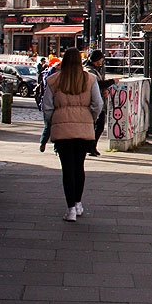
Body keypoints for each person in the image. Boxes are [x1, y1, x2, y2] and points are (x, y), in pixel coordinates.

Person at [42, 48, 102, 222]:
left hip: (62, 131)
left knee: (67, 169)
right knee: (79, 166)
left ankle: (70, 210)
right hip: (83, 129)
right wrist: (90, 117)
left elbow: (47, 106)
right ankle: (78, 203)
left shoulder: (53, 80)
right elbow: (97, 103)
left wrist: (55, 121)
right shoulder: (90, 79)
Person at [84, 50, 116, 157]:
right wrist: (112, 82)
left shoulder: (95, 70)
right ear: (97, 60)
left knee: (99, 126)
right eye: (101, 59)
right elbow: (96, 84)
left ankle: (92, 146)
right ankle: (90, 146)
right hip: (93, 103)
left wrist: (104, 90)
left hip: (99, 101)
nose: (102, 61)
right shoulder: (90, 71)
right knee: (96, 126)